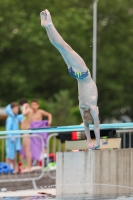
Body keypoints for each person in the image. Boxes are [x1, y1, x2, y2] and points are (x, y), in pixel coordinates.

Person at [40, 9, 100, 150]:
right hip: (75, 74)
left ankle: (49, 25)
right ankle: (47, 26)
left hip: (83, 74)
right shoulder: (83, 106)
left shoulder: (91, 106)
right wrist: (92, 143)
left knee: (65, 47)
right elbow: (89, 126)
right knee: (60, 48)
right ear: (88, 116)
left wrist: (95, 142)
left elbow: (94, 126)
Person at [5, 102, 23, 170]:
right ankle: (7, 168)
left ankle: (14, 168)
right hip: (11, 140)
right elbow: (8, 130)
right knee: (9, 155)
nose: (17, 110)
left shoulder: (15, 118)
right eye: (15, 109)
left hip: (15, 139)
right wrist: (12, 138)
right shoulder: (10, 119)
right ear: (11, 109)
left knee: (14, 154)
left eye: (17, 109)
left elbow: (22, 116)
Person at [19, 98, 33, 172]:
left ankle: (29, 167)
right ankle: (27, 166)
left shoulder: (28, 110)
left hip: (27, 130)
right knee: (25, 149)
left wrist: (24, 106)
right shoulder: (27, 110)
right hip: (25, 131)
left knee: (27, 149)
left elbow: (24, 113)